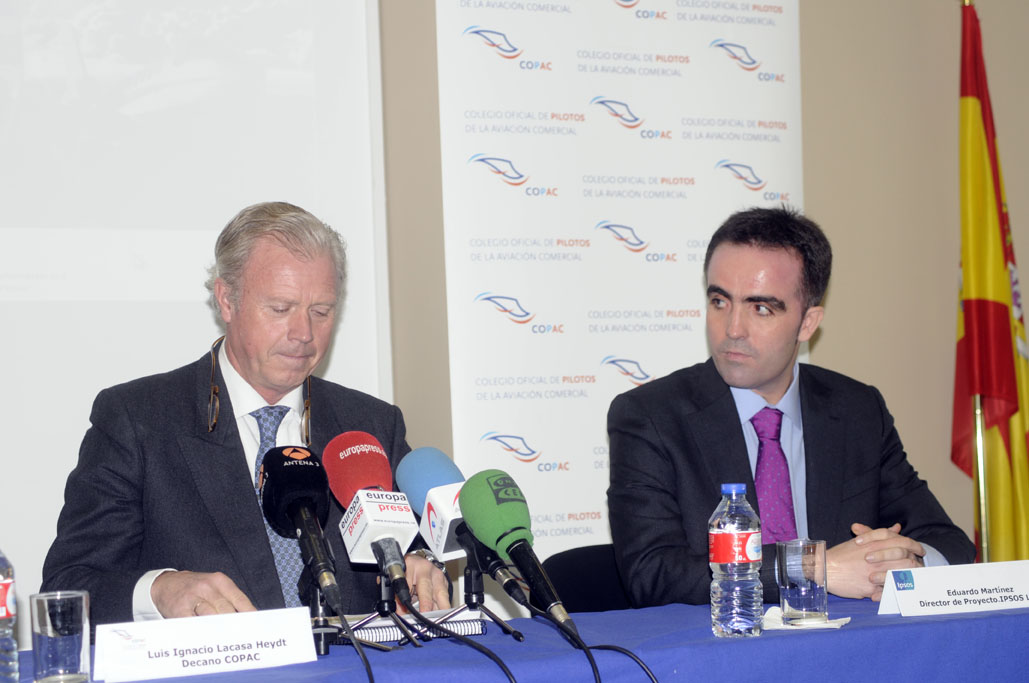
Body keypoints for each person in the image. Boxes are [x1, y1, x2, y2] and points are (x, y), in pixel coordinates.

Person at [42, 201, 450, 624]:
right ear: (227, 300)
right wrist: (159, 589)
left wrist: (421, 571)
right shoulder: (139, 420)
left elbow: (420, 558)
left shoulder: (370, 426)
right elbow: (68, 586)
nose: (304, 333)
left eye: (321, 311)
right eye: (280, 309)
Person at [607, 206, 975, 607]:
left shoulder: (857, 411)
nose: (733, 329)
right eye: (719, 301)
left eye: (761, 308)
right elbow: (652, 575)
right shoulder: (650, 417)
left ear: (808, 323)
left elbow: (947, 541)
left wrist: (906, 566)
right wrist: (813, 567)